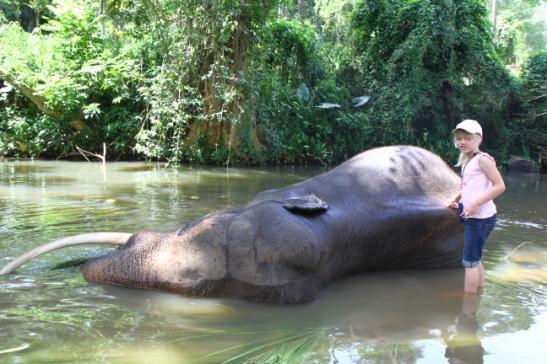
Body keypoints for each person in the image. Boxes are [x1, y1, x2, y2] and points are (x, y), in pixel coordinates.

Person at [448, 119, 505, 293]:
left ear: (478, 139)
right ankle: (481, 290)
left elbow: (500, 186)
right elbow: (466, 184)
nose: (462, 142)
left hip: (481, 218)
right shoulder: (467, 159)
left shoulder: (483, 160)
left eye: (467, 138)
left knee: (470, 262)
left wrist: (476, 203)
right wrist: (457, 199)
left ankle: (468, 306)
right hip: (474, 216)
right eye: (459, 138)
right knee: (475, 257)